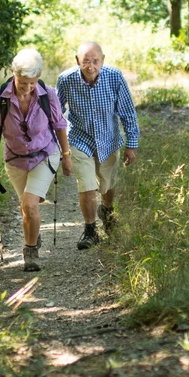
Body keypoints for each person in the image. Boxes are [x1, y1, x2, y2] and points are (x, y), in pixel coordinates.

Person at [0, 47, 73, 272]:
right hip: (15, 159)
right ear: (14, 74)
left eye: (33, 82)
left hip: (44, 154)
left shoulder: (48, 94)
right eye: (23, 82)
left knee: (30, 204)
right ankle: (34, 232)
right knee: (27, 207)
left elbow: (59, 125)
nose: (28, 87)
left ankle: (30, 251)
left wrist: (66, 155)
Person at [56, 41, 139, 250]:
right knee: (87, 186)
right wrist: (57, 146)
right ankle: (90, 230)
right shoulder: (66, 79)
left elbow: (128, 112)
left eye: (95, 61)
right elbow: (56, 114)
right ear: (77, 61)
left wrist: (131, 144)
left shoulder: (114, 77)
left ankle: (107, 211)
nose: (90, 66)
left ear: (102, 60)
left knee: (107, 185)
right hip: (79, 139)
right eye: (85, 61)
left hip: (108, 140)